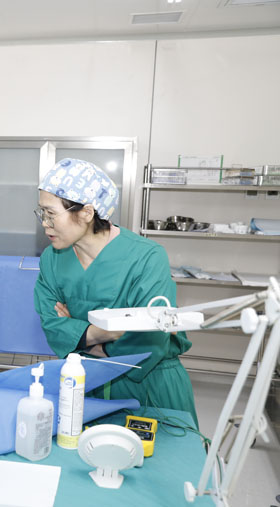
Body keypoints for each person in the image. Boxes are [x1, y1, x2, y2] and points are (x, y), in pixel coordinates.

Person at [33, 158, 198, 427]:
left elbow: (150, 338)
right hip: (86, 384)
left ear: (87, 213)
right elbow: (52, 326)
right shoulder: (52, 259)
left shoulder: (146, 257)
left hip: (150, 388)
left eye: (51, 214)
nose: (44, 223)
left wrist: (82, 336)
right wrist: (106, 332)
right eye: (41, 213)